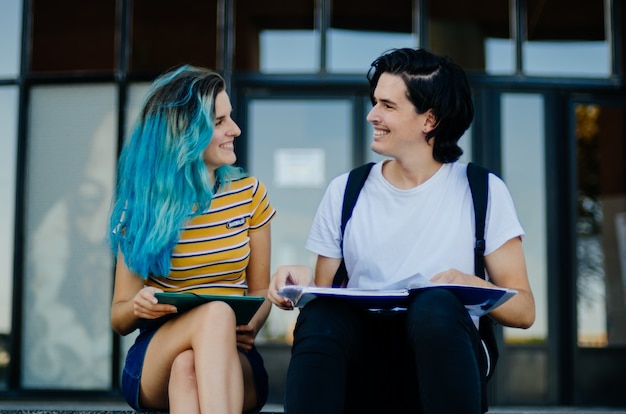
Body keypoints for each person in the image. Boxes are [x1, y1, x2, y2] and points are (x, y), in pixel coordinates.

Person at [267, 48, 535, 414]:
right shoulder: (347, 190)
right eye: (375, 101)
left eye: (388, 106)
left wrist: (473, 286)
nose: (371, 115)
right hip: (365, 364)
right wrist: (299, 281)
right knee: (321, 315)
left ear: (430, 119)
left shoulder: (482, 190)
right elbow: (326, 297)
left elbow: (524, 312)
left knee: (436, 303)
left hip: (446, 362)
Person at [109, 65, 276, 414]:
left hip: (235, 356)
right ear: (185, 132)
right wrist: (138, 307)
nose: (235, 129)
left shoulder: (249, 194)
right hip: (156, 354)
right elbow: (119, 317)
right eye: (219, 122)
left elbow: (260, 291)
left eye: (230, 118)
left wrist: (251, 325)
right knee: (213, 315)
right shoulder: (141, 205)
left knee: (188, 370)